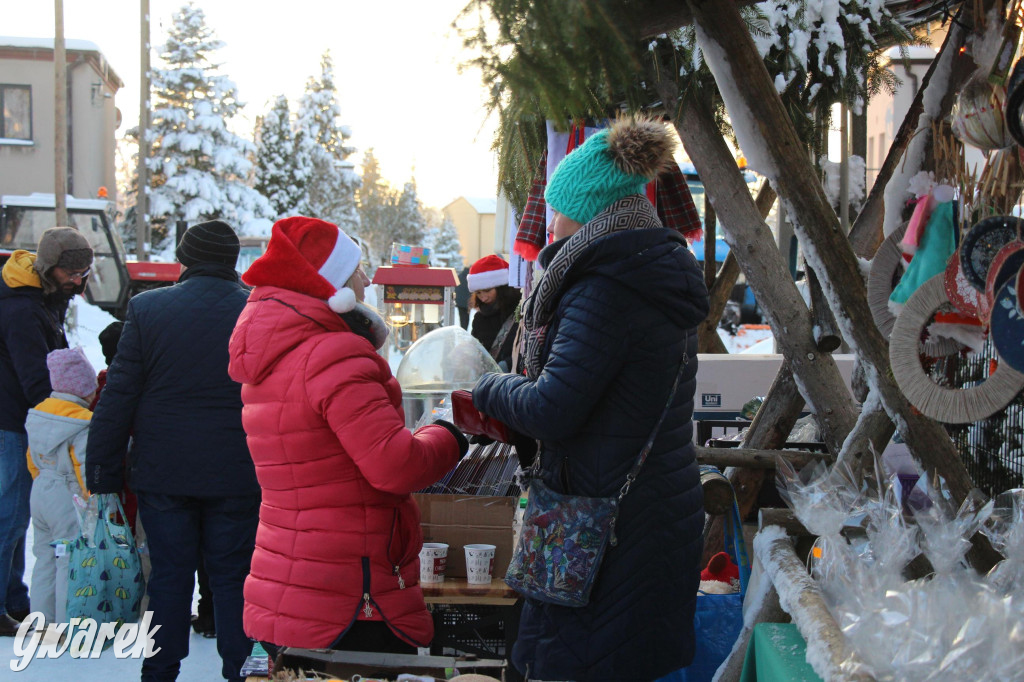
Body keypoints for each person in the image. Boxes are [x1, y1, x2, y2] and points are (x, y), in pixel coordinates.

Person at [471, 115, 710, 681]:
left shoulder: (604, 288)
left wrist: (488, 387)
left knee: (583, 664)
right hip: (646, 510)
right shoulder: (649, 270)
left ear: (587, 210)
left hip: (607, 525)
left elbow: (552, 409)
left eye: (559, 206)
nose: (551, 222)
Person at [227, 216, 465, 656]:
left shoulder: (278, 352)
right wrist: (449, 432)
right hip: (349, 593)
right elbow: (395, 465)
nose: (367, 277)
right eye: (356, 268)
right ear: (330, 283)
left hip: (292, 581)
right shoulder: (332, 353)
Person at [87, 220, 259, 682]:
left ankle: (159, 671)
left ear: (183, 258)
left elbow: (119, 395)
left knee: (168, 577)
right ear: (232, 262)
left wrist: (102, 471)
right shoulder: (255, 311)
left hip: (163, 472)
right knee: (232, 578)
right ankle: (241, 670)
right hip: (238, 472)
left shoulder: (147, 310)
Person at [0, 226, 92, 636]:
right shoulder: (21, 310)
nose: (79, 281)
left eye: (84, 272)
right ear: (48, 267)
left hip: (24, 421)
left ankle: (15, 599)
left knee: (18, 516)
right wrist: (63, 414)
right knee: (10, 515)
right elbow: (36, 378)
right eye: (72, 273)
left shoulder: (42, 297)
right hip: (11, 423)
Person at [25, 347, 97, 624]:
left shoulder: (38, 413)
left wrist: (41, 481)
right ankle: (68, 624)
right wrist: (90, 501)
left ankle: (41, 621)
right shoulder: (81, 423)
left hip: (41, 489)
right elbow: (82, 465)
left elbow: (31, 459)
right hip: (67, 494)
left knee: (44, 557)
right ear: (83, 390)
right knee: (70, 559)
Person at [467, 255, 522, 370]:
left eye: (487, 291)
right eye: (478, 293)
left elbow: (526, 348)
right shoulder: (479, 318)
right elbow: (475, 349)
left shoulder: (521, 312)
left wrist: (506, 365)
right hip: (488, 379)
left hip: (514, 380)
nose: (483, 297)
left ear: (502, 288)